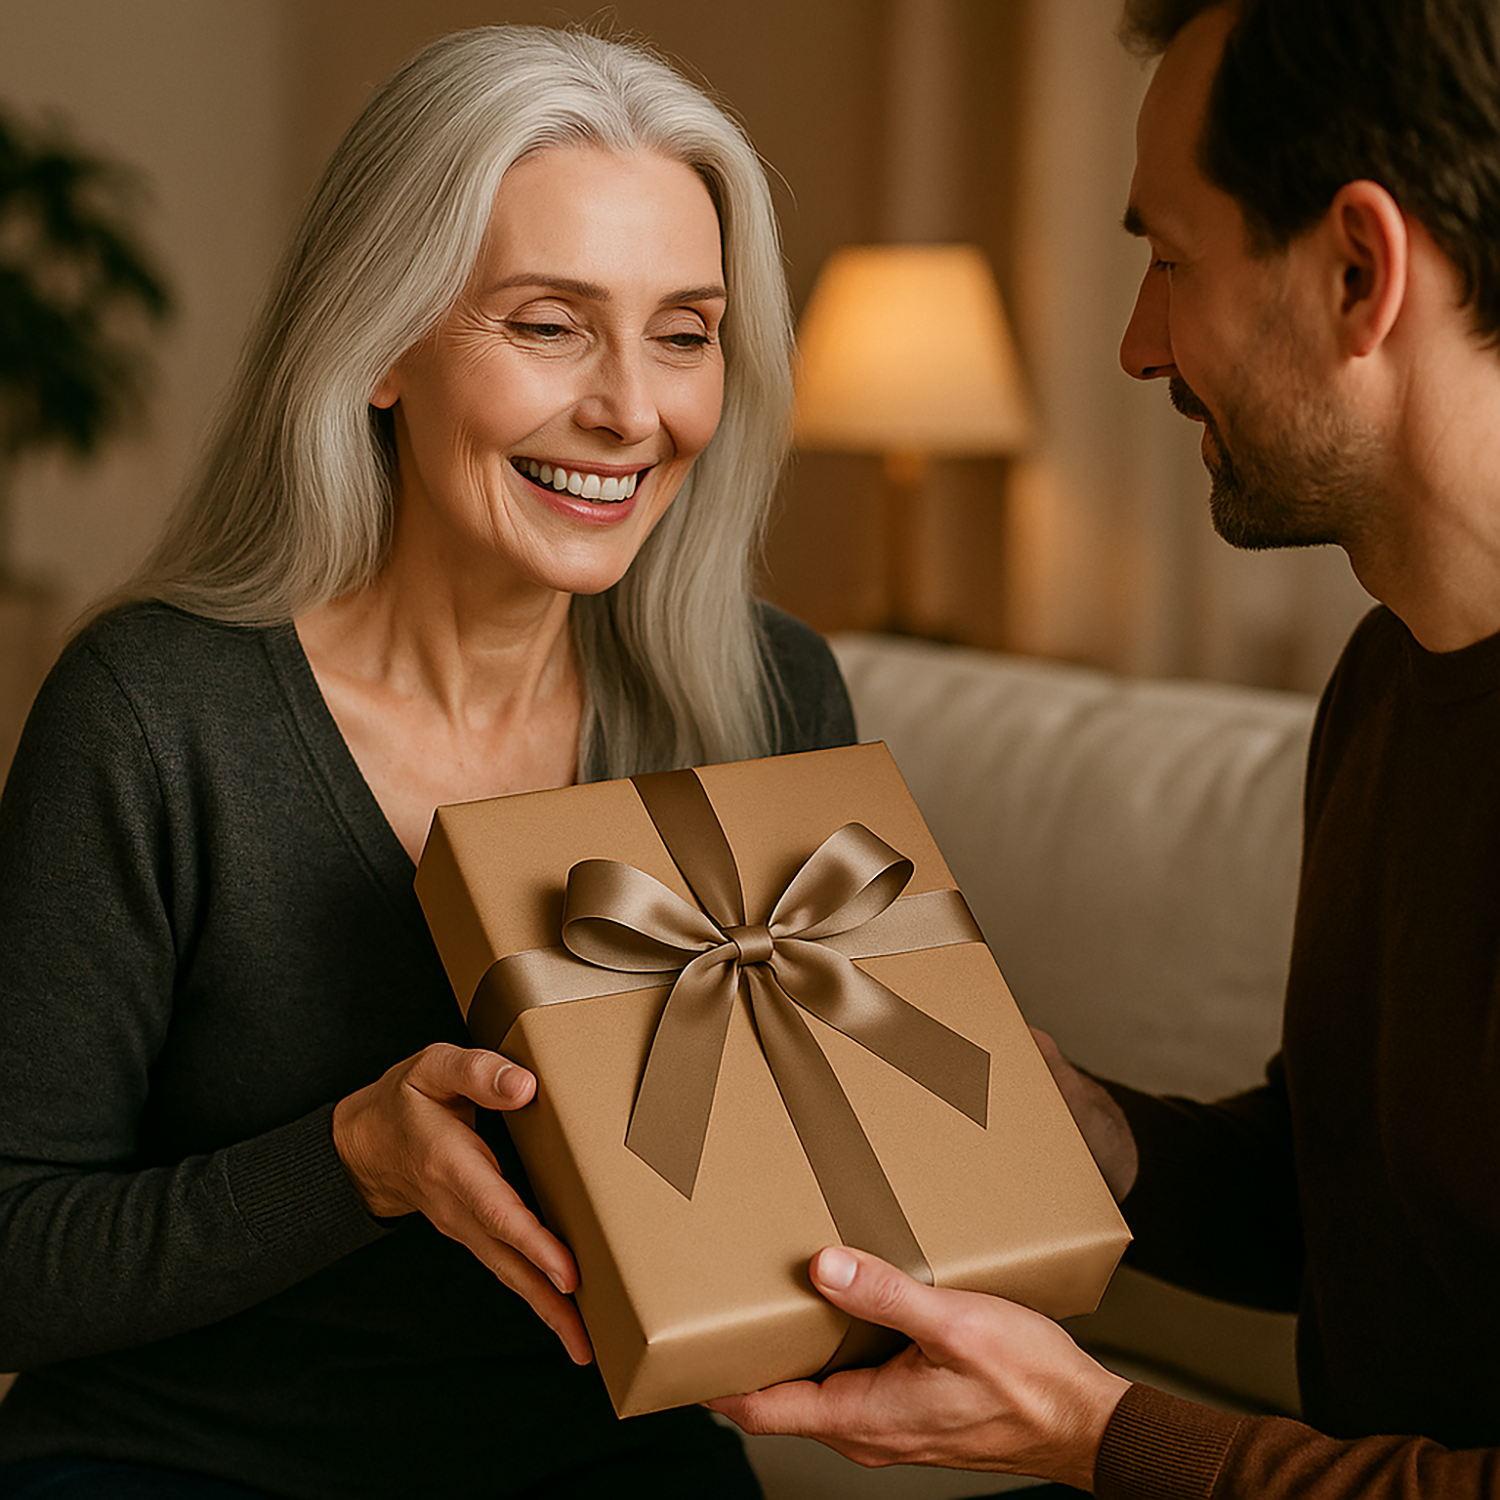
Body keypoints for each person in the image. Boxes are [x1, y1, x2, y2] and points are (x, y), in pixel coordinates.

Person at [0, 24, 853, 1500]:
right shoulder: (154, 710)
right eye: (548, 324)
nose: (633, 412)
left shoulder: (770, 693)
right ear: (381, 343)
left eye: (685, 330)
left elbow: (816, 1221)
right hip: (182, 1467)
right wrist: (349, 1160)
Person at [709, 0, 1500, 1494]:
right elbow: (1369, 1206)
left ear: (1359, 271)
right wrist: (1096, 1139)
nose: (1140, 347)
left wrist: (1093, 1430)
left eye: (1169, 259)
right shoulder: (1394, 678)